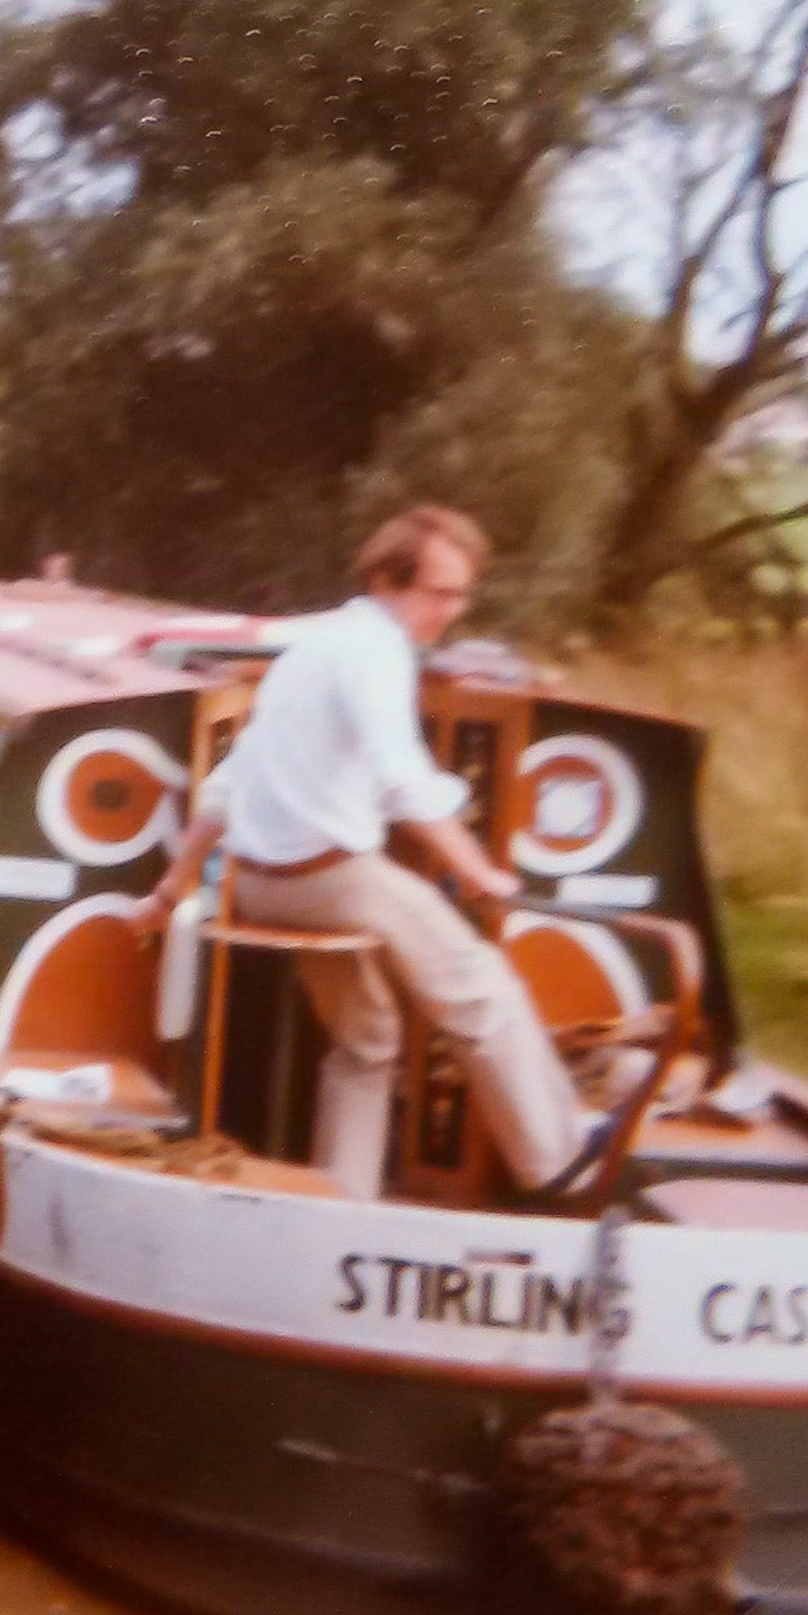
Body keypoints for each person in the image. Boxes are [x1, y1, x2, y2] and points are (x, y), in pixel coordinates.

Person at [131, 506, 600, 1202]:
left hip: (259, 884)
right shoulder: (376, 654)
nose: (453, 609)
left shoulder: (312, 649)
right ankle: (559, 1160)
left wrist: (167, 893)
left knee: (369, 1037)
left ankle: (343, 1197)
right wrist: (478, 873)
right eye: (439, 592)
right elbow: (402, 780)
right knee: (479, 987)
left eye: (462, 594)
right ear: (386, 578)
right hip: (330, 882)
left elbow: (228, 787)